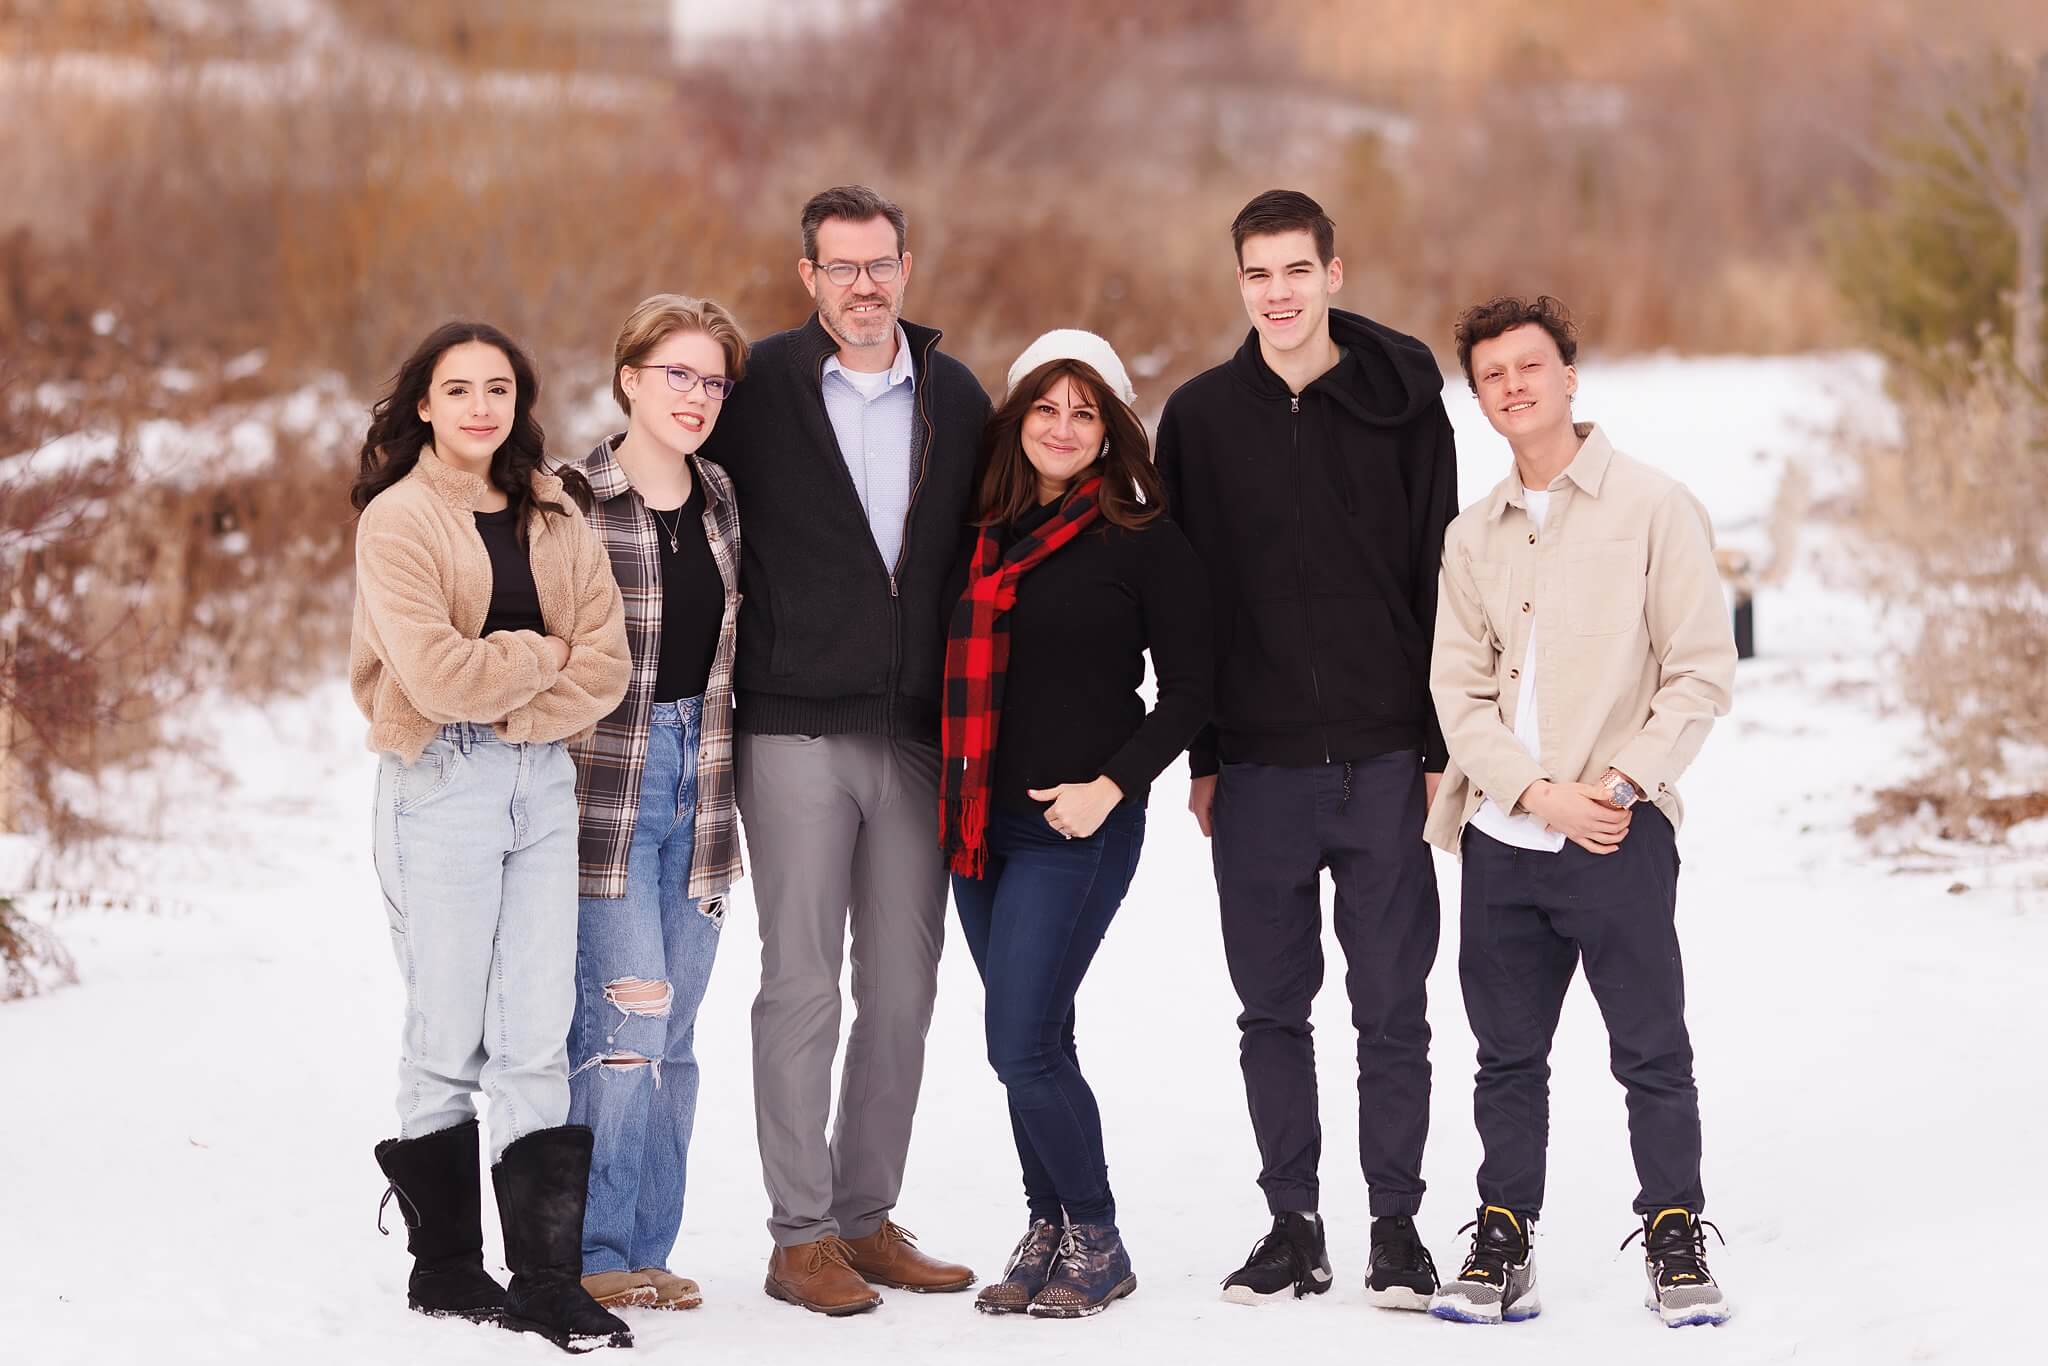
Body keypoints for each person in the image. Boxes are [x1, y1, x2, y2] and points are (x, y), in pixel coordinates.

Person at [1156, 189, 1456, 1308]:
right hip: (1259, 771)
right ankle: (1291, 1222)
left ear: (1334, 272)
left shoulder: (1403, 409)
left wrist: (1434, 744)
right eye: (1255, 274)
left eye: (1295, 269)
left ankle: (1394, 1227)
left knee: (1392, 1007)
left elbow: (1441, 578)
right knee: (1270, 1008)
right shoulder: (1196, 417)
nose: (1275, 293)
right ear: (1236, 282)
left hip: (1382, 760)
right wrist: (1202, 755)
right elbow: (1185, 607)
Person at [698, 184, 989, 1315]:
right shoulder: (757, 387)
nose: (863, 286)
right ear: (807, 274)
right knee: (802, 982)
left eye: (881, 264)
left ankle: (866, 1218)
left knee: (906, 989)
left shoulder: (955, 398)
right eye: (841, 267)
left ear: (907, 267)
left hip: (914, 734)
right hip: (793, 728)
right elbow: (667, 470)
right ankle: (798, 1234)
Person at [1423, 295, 1736, 1329]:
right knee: (1505, 1055)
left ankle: (1674, 1233)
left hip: (1615, 831)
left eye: (1529, 366)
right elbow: (1455, 695)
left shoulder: (1653, 506)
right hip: (1502, 838)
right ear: (1478, 398)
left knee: (1649, 1048)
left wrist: (1616, 787)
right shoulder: (1471, 535)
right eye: (1492, 376)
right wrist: (1529, 792)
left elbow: (1696, 670)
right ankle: (1503, 1235)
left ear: (1567, 374)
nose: (1512, 386)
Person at [351, 321, 635, 1352]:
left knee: (534, 1027)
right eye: (456, 388)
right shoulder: (398, 521)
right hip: (439, 785)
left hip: (541, 786)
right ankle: (446, 1268)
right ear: (422, 404)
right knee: (447, 1027)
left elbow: (604, 666)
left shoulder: (556, 513)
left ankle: (545, 1281)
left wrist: (516, 680)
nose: (480, 405)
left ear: (519, 401)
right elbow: (431, 677)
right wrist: (540, 654)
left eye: (498, 388)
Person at [941, 332, 1213, 1319]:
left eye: (1084, 411)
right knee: (1038, 1033)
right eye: (1045, 408)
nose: (1062, 427)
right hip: (977, 825)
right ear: (1017, 418)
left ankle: (1095, 1235)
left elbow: (1190, 690)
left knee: (1017, 1040)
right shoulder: (979, 531)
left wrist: (1112, 783)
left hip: (1076, 827)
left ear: (1109, 431)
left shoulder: (1140, 537)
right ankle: (1047, 1224)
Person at [555, 295, 747, 1315]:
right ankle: (590, 1249)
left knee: (676, 1039)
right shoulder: (568, 499)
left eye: (713, 380)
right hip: (608, 794)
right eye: (677, 373)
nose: (697, 397)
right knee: (626, 1025)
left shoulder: (721, 497)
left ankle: (647, 1248)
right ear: (628, 375)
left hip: (704, 794)